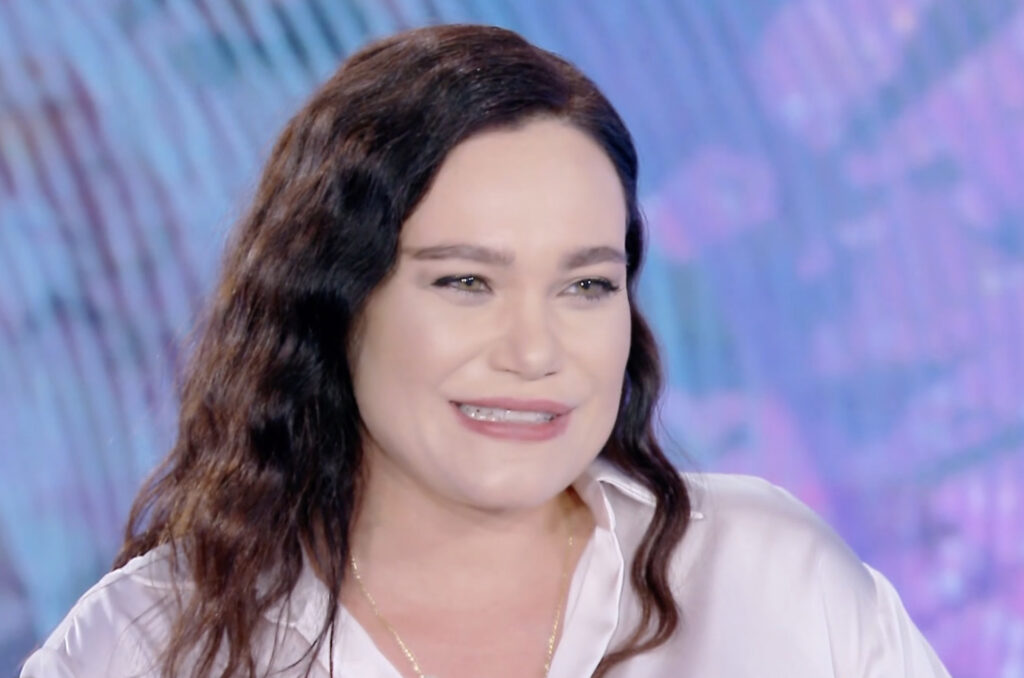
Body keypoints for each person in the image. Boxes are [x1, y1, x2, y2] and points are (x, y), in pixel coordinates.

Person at [20, 23, 950, 678]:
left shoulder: (770, 580)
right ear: (334, 295)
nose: (535, 350)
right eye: (465, 282)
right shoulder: (146, 643)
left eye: (586, 285)